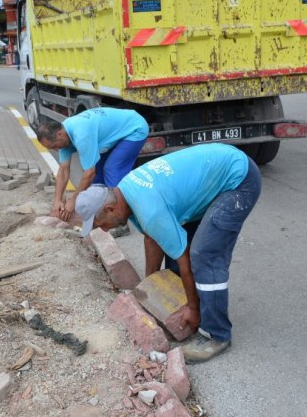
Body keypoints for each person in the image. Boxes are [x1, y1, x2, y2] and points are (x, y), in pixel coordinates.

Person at [75, 143, 261, 364]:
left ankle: (216, 334)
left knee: (203, 256)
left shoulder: (148, 208)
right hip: (214, 173)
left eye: (99, 223)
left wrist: (193, 308)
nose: (104, 229)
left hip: (238, 180)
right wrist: (149, 288)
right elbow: (153, 237)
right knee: (174, 252)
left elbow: (185, 259)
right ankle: (192, 307)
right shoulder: (125, 193)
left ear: (110, 209)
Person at [36, 108, 148, 221]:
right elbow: (63, 170)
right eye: (52, 148)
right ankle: (102, 214)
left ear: (59, 134)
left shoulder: (81, 135)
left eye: (54, 145)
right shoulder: (63, 137)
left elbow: (89, 173)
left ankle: (120, 219)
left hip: (134, 129)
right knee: (97, 179)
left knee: (111, 170)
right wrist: (57, 200)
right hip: (115, 132)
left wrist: (73, 202)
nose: (56, 150)